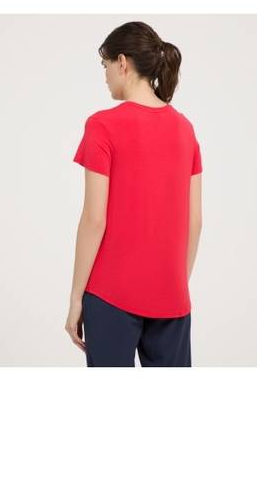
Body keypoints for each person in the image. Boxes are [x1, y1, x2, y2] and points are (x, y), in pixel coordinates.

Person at [65, 21, 203, 367]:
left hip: (110, 294)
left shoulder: (102, 125)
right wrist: (174, 284)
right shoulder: (184, 128)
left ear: (122, 62)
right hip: (172, 296)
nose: (105, 75)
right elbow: (195, 221)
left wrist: (76, 297)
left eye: (105, 65)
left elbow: (94, 219)